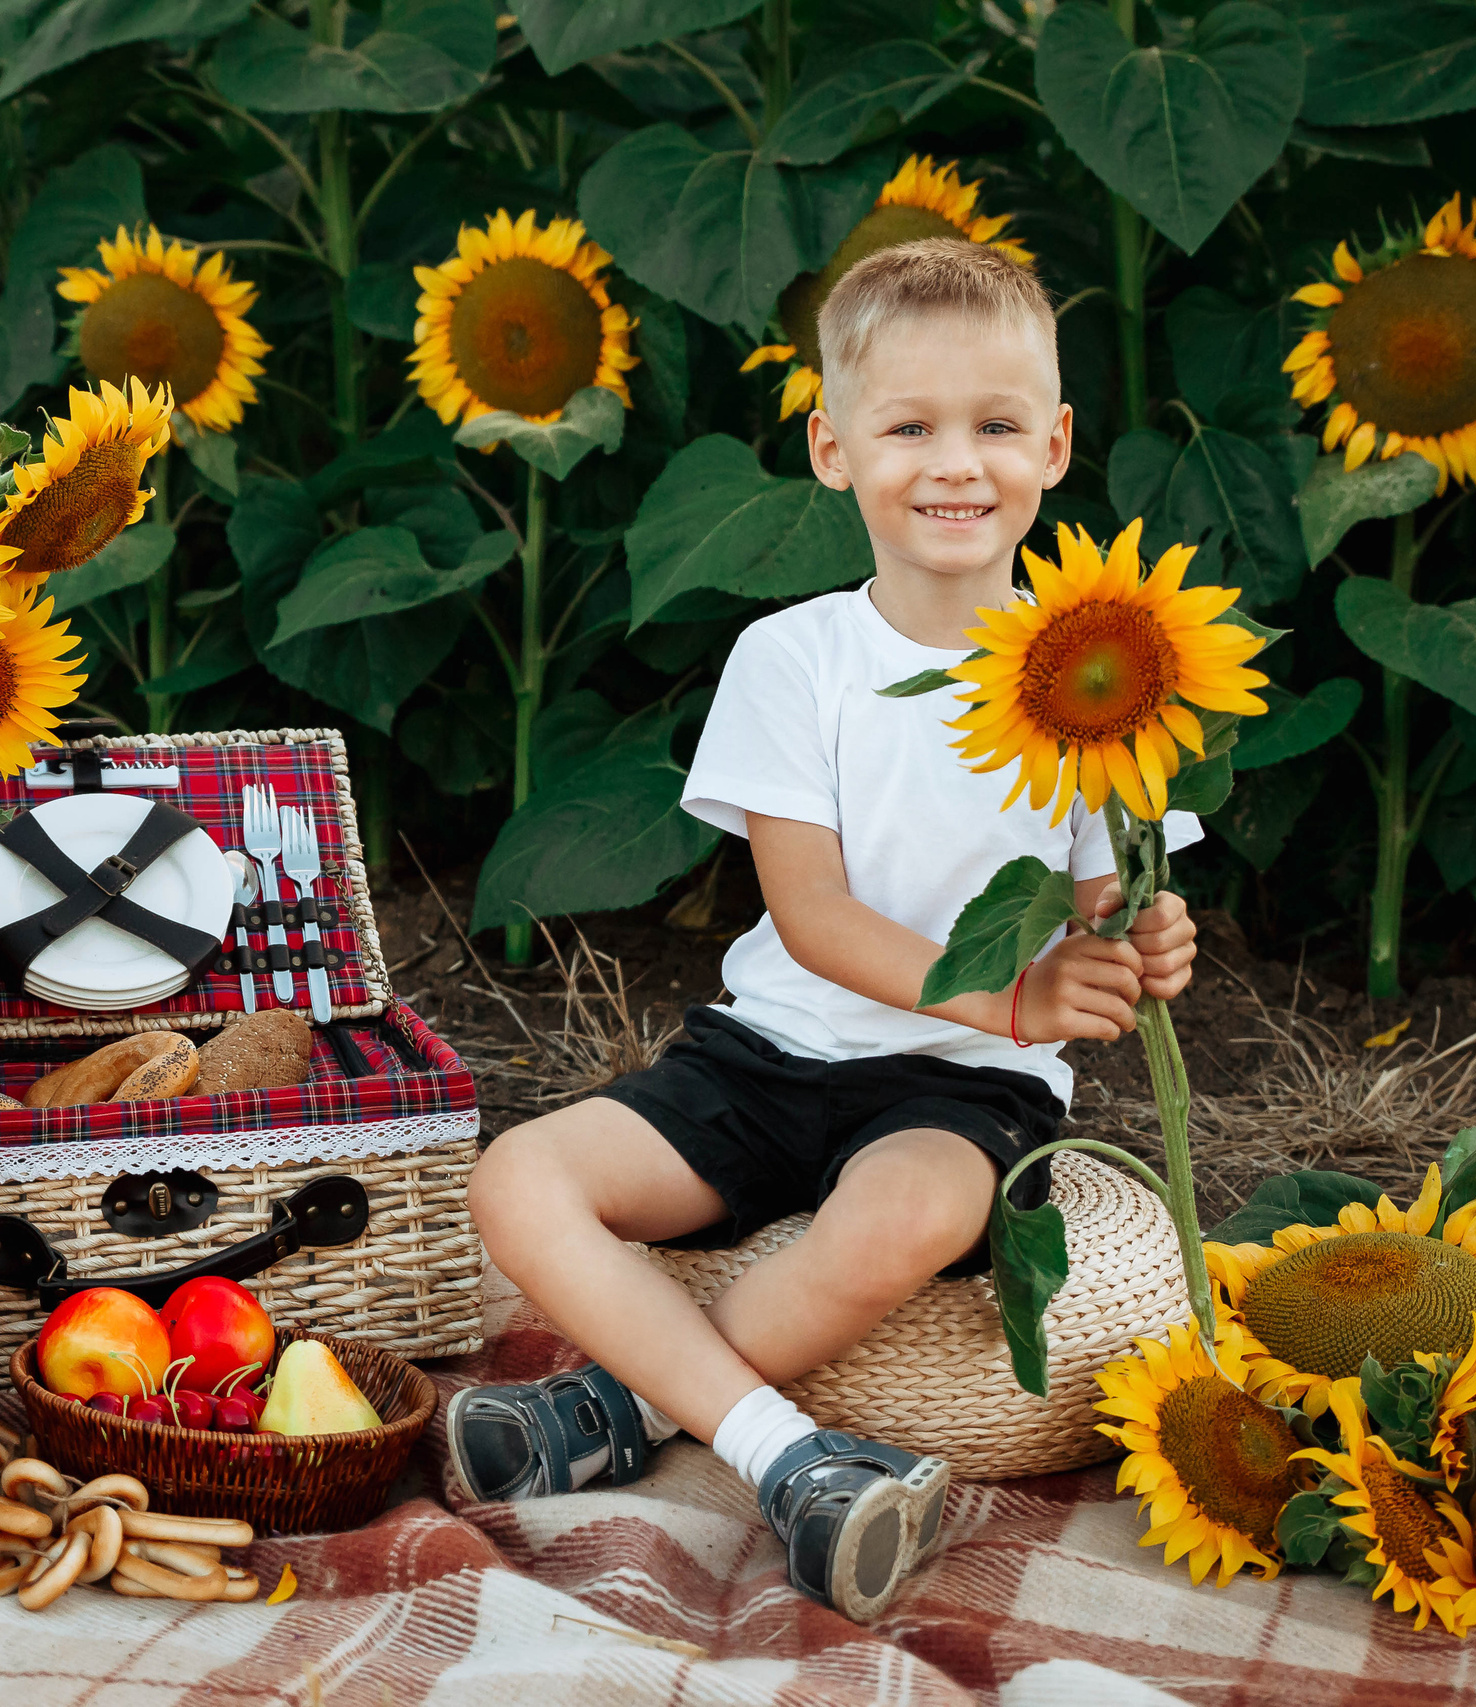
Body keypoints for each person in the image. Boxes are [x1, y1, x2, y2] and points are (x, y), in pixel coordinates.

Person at [450, 237, 1203, 1623]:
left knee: (910, 1211)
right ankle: (788, 1456)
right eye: (908, 426)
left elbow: (1115, 897)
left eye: (992, 425)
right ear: (833, 448)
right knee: (517, 1179)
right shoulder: (797, 660)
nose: (954, 463)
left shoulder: (1108, 665)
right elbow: (811, 920)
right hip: (767, 1052)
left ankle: (631, 1407)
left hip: (966, 1087)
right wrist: (1018, 997)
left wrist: (1146, 944)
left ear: (1055, 445)